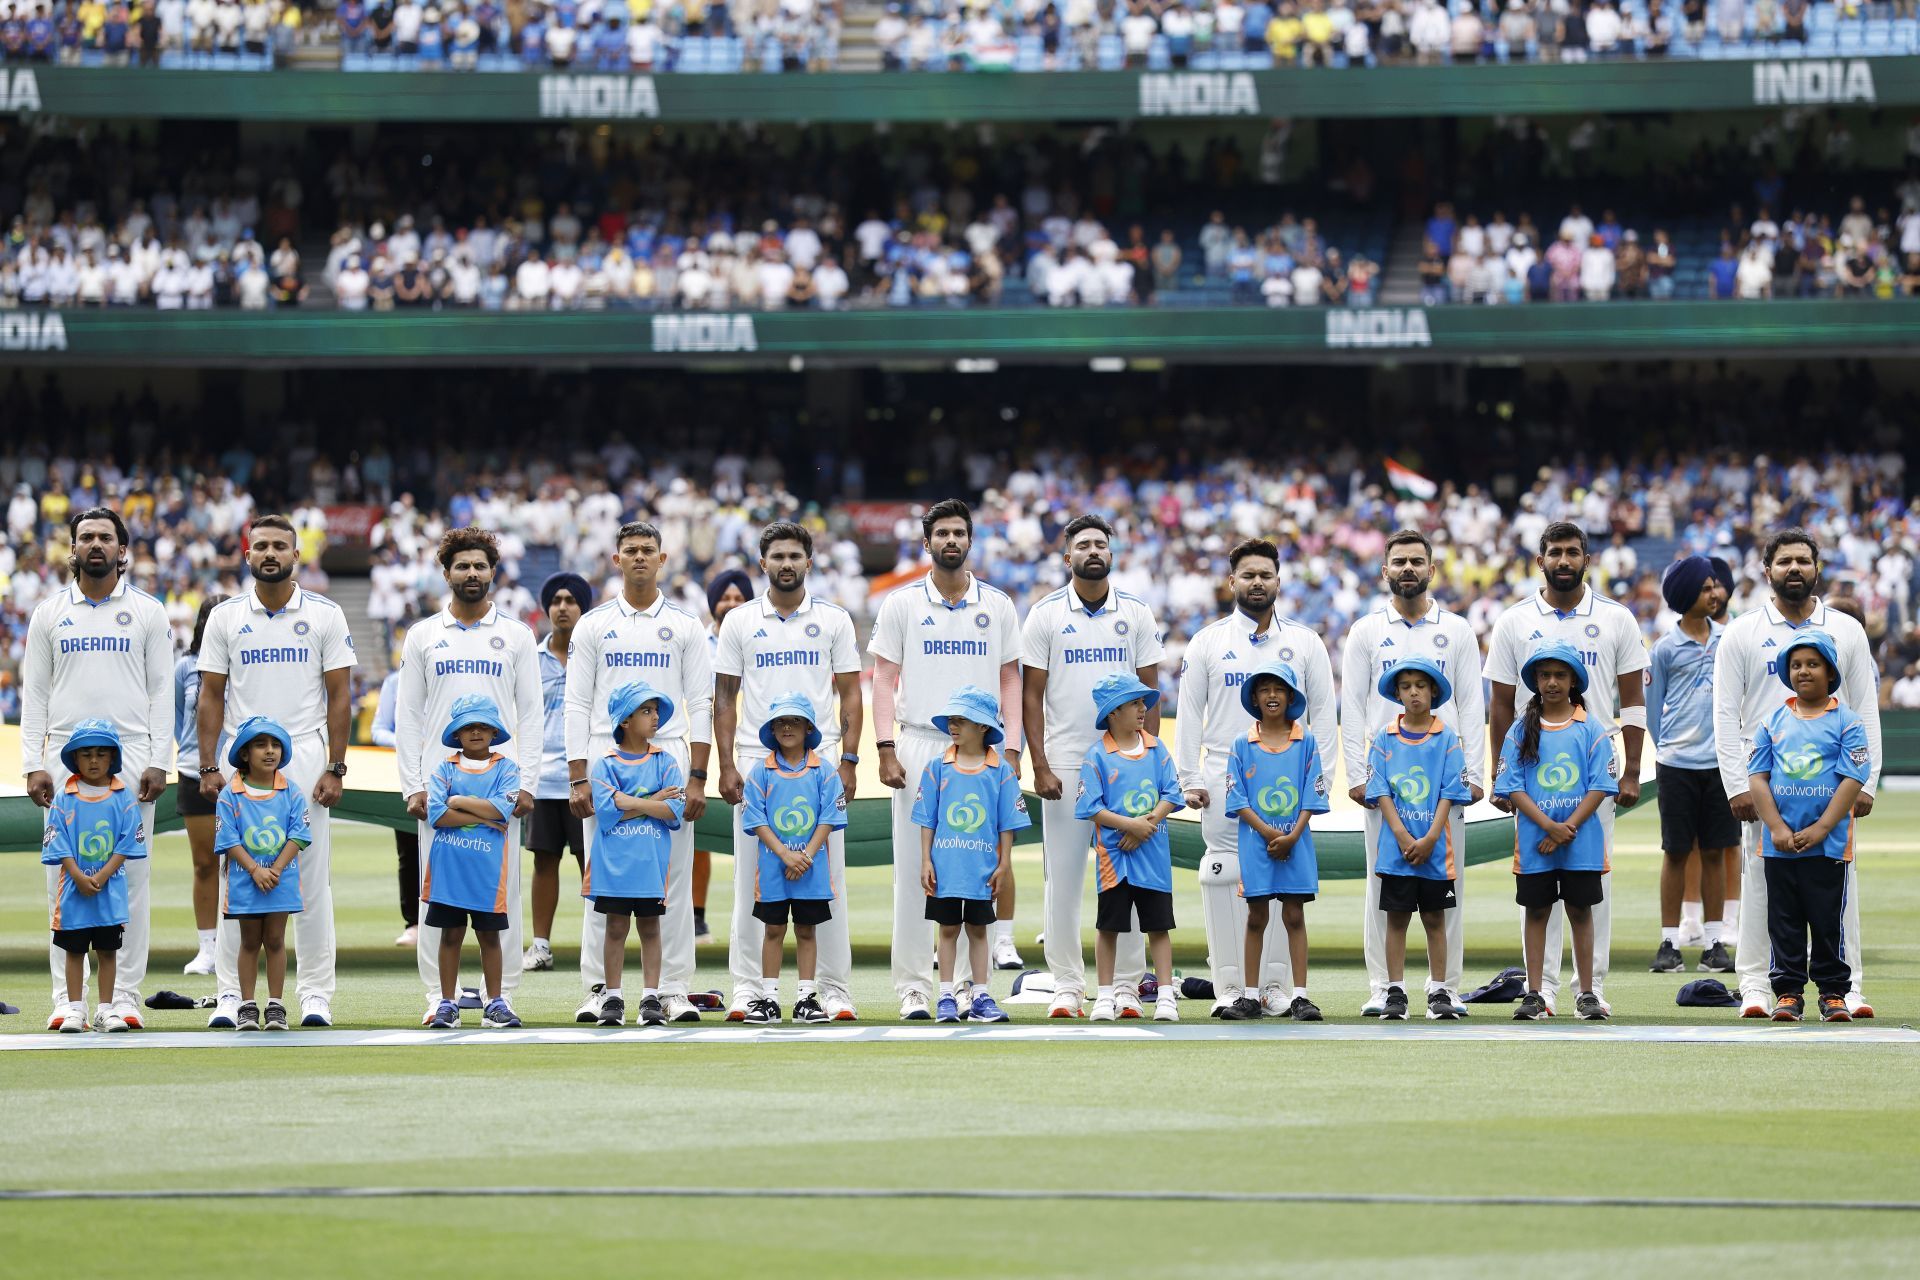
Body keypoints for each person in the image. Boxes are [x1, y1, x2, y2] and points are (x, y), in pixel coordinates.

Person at [1712, 529, 1881, 1019]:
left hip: (1831, 786)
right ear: (1767, 571)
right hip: (1766, 785)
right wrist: (1736, 784)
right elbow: (1725, 712)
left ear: (1817, 568)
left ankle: (1846, 989)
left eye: (1802, 561)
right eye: (1784, 561)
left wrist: (1866, 782)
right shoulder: (1743, 631)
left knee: (1838, 887)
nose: (1794, 569)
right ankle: (1757, 986)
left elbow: (1865, 709)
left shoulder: (1846, 630)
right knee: (1762, 883)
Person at [198, 513, 355, 1030]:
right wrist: (206, 765)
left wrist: (335, 765)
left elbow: (339, 696)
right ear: (246, 555)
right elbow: (211, 696)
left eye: (279, 546)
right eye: (260, 545)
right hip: (241, 755)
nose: (270, 553)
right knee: (234, 879)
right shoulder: (224, 617)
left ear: (295, 555)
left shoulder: (327, 614)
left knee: (309, 878)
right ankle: (229, 995)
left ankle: (314, 994)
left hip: (306, 755)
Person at [871, 498, 1025, 1022]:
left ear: (970, 539)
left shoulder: (998, 605)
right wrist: (886, 746)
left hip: (982, 751)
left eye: (960, 532)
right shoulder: (901, 604)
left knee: (974, 867)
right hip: (918, 744)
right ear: (927, 542)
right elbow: (885, 679)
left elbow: (1010, 679)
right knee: (918, 869)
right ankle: (915, 987)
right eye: (943, 533)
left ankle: (968, 988)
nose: (951, 541)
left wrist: (1011, 750)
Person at [1485, 521, 1645, 1015]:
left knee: (1590, 889)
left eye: (1572, 552)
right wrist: (1498, 776)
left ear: (1586, 560)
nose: (1563, 560)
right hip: (1532, 778)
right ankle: (1542, 990)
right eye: (1554, 552)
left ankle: (1588, 988)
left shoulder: (1618, 618)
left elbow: (1634, 703)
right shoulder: (1514, 621)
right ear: (1540, 561)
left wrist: (1633, 771)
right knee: (1537, 892)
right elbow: (1500, 704)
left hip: (1593, 778)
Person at [21, 507, 171, 1032]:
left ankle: (123, 999)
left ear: (123, 550)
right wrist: (32, 765)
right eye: (86, 537)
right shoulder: (48, 613)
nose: (96, 545)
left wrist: (158, 760)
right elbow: (34, 693)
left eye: (106, 537)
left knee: (130, 878)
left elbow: (160, 691)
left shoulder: (149, 612)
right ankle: (69, 1001)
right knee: (63, 880)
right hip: (64, 757)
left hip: (129, 758)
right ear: (73, 548)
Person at [1178, 538, 1333, 1017]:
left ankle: (1276, 988)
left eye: (1265, 574)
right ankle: (1231, 987)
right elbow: (1187, 714)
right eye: (1248, 575)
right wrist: (1189, 778)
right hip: (1227, 779)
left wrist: (1318, 781)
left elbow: (1324, 717)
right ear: (1232, 582)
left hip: (1289, 783)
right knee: (1225, 877)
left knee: (1284, 890)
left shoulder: (1305, 642)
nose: (1257, 582)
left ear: (1279, 581)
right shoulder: (1207, 641)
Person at [565, 523, 713, 1024]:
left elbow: (701, 702)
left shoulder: (686, 625)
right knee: (601, 882)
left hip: (667, 755)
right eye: (631, 550)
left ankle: (670, 990)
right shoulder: (593, 624)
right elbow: (577, 702)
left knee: (671, 883)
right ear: (616, 560)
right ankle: (599, 990)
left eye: (648, 550)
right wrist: (577, 775)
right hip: (608, 760)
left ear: (664, 558)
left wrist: (697, 775)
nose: (640, 557)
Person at [715, 522, 862, 1022]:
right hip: (758, 766)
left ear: (809, 562)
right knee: (752, 884)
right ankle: (748, 988)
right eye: (777, 555)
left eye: (795, 555)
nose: (786, 564)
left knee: (827, 881)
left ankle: (832, 989)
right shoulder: (738, 621)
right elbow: (723, 698)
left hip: (820, 766)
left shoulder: (834, 620)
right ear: (762, 563)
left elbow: (851, 693)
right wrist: (728, 763)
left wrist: (850, 759)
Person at [395, 527, 541, 1027]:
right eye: (462, 566)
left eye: (480, 565)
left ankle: (503, 996)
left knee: (503, 892)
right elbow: (408, 715)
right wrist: (413, 783)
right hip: (440, 788)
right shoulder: (423, 635)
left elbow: (531, 715)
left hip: (501, 784)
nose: (472, 573)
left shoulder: (518, 635)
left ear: (493, 572)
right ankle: (441, 996)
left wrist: (529, 783)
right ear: (446, 572)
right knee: (438, 894)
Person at [1338, 528, 1486, 1017]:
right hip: (1385, 788)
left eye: (1415, 562)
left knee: (1447, 890)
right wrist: (1357, 774)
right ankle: (1385, 987)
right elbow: (1353, 707)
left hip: (1444, 779)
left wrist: (1476, 773)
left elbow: (1471, 703)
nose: (1407, 569)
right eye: (1398, 561)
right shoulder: (1365, 630)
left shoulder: (1458, 630)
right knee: (1383, 890)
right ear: (1384, 571)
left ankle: (1446, 987)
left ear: (1431, 570)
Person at [1022, 514, 1163, 1018]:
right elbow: (1032, 695)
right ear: (1068, 558)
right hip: (1064, 761)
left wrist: (1145, 760)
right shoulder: (1043, 614)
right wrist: (1039, 764)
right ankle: (1066, 983)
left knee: (1124, 877)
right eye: (1083, 544)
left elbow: (1151, 692)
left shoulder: (1137, 614)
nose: (1093, 550)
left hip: (1124, 764)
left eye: (1101, 543)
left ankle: (1125, 985)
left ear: (1112, 553)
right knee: (1062, 878)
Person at [1745, 632, 1869, 1023]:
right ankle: (1788, 992)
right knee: (1784, 922)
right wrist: (1777, 827)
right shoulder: (1772, 721)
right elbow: (1758, 777)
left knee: (1827, 920)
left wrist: (1822, 827)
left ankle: (1833, 993)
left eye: (1813, 664)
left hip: (1828, 846)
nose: (1803, 671)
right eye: (1796, 665)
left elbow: (1852, 779)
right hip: (1780, 846)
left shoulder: (1847, 722)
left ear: (1830, 672)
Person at [1495, 641, 1619, 1022]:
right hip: (1536, 844)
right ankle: (1535, 993)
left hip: (1581, 844)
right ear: (1534, 680)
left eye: (1560, 675)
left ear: (1573, 681)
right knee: (1537, 912)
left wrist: (1569, 827)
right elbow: (1512, 785)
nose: (1551, 682)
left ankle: (1586, 993)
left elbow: (1601, 783)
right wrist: (1549, 826)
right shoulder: (1521, 728)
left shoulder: (1590, 727)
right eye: (1545, 675)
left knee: (1580, 912)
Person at [1362, 657, 1473, 1022]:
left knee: (1435, 919)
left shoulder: (1446, 738)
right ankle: (1395, 991)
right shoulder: (1384, 737)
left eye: (1421, 685)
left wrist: (1427, 839)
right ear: (1397, 693)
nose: (1414, 692)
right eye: (1406, 685)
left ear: (1433, 692)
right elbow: (1380, 791)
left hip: (1435, 851)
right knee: (1396, 920)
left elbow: (1449, 791)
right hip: (1396, 852)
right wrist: (1402, 835)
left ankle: (1439, 990)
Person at [1218, 661, 1331, 1022]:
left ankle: (1299, 996)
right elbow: (1236, 800)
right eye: (1264, 689)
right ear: (1254, 698)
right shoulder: (1241, 743)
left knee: (1295, 915)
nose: (1271, 695)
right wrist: (1270, 834)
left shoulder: (1306, 740)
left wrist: (1292, 835)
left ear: (1290, 696)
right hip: (1257, 846)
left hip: (1296, 843)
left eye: (1279, 689)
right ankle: (1250, 997)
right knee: (1256, 917)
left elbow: (1314, 794)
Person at [909, 684, 1026, 1024]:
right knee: (947, 930)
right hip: (946, 869)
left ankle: (981, 996)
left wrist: (1004, 864)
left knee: (978, 930)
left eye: (963, 719)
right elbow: (926, 819)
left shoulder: (1000, 770)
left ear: (983, 727)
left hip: (983, 869)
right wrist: (926, 859)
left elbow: (1008, 823)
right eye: (952, 720)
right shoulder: (937, 766)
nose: (954, 726)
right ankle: (946, 996)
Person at [1074, 673, 1183, 1023]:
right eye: (1134, 703)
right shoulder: (1096, 756)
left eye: (1142, 703)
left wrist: (1145, 825)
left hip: (1152, 858)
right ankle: (1105, 996)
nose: (1143, 710)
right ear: (1113, 712)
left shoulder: (1156, 747)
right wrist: (1129, 826)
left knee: (1159, 927)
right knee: (1108, 927)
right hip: (1113, 861)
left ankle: (1166, 995)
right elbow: (1090, 806)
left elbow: (1173, 794)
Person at [1646, 556, 1737, 975]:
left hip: (1721, 763)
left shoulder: (1729, 640)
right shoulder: (1664, 648)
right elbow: (1652, 710)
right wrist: (1668, 747)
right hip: (1678, 764)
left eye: (1715, 586)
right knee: (1677, 852)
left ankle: (1715, 942)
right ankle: (1668, 941)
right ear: (1685, 596)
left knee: (1717, 851)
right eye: (1706, 588)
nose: (1715, 593)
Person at [740, 692, 847, 1024]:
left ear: (808, 729)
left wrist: (806, 856)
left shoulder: (824, 770)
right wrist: (785, 854)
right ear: (772, 730)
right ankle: (768, 999)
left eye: (795, 721)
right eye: (781, 722)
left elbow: (829, 816)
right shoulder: (761, 771)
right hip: (774, 870)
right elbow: (755, 818)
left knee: (805, 931)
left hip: (810, 871)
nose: (787, 728)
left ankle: (806, 998)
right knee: (773, 930)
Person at [585, 681, 687, 1028]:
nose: (655, 716)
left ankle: (649, 998)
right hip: (613, 865)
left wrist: (629, 802)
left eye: (655, 709)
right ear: (624, 721)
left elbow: (673, 810)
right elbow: (606, 810)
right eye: (646, 710)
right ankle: (612, 998)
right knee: (614, 928)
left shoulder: (666, 760)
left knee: (650, 929)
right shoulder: (605, 764)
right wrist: (653, 801)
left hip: (650, 866)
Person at [424, 694, 523, 1030]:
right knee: (450, 936)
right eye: (468, 727)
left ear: (495, 732)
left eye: (483, 726)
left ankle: (494, 1002)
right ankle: (447, 1003)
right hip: (449, 871)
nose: (476, 732)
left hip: (488, 873)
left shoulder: (507, 768)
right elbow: (437, 813)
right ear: (457, 734)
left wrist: (461, 801)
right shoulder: (444, 768)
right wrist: (486, 815)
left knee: (489, 938)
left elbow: (503, 809)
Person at [41, 719, 147, 1034]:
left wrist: (100, 876)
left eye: (101, 754)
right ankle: (74, 1009)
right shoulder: (65, 796)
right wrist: (77, 874)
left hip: (109, 891)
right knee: (74, 949)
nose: (94, 760)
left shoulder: (122, 795)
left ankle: (105, 1009)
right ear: (74, 758)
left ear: (112, 758)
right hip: (73, 892)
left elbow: (128, 841)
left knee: (107, 951)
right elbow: (57, 840)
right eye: (86, 754)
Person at [212, 716, 312, 1033]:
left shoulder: (291, 791)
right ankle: (246, 1006)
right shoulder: (231, 794)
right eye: (260, 745)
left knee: (276, 940)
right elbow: (228, 839)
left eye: (275, 745)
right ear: (244, 753)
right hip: (245, 881)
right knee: (249, 941)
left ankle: (276, 1006)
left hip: (279, 881)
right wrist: (255, 869)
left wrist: (276, 869)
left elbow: (299, 834)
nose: (269, 752)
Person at [524, 571, 592, 973]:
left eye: (571, 600)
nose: (563, 607)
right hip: (545, 776)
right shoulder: (530, 659)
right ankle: (541, 946)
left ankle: (595, 942)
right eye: (556, 600)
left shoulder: (598, 654)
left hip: (587, 776)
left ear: (583, 608)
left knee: (591, 863)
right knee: (544, 861)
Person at [696, 568, 754, 941]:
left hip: (751, 746)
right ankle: (696, 915)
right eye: (725, 597)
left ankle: (756, 917)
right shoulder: (698, 644)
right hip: (703, 745)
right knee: (697, 836)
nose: (731, 604)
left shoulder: (760, 639)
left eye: (738, 597)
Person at [175, 593, 228, 977]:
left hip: (244, 774)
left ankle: (238, 943)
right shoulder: (186, 668)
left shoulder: (246, 662)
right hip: (195, 773)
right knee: (205, 862)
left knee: (244, 861)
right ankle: (208, 948)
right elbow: (179, 718)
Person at [370, 659, 419, 947]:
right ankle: (414, 923)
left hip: (449, 770)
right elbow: (379, 730)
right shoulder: (394, 682)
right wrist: (408, 742)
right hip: (406, 773)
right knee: (408, 848)